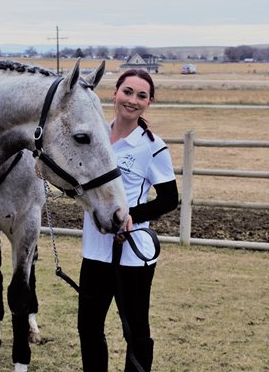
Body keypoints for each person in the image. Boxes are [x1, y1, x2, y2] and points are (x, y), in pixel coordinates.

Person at [78, 68, 179, 372]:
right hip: (94, 251)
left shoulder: (152, 147)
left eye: (141, 95)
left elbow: (169, 199)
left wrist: (133, 216)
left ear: (149, 102)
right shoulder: (92, 139)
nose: (132, 100)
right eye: (127, 92)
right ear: (115, 93)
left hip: (132, 257)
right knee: (89, 328)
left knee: (136, 332)